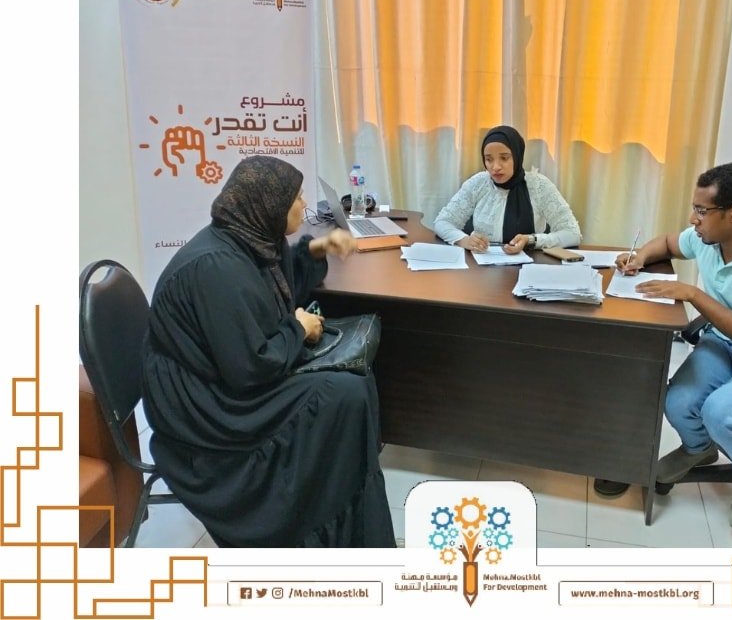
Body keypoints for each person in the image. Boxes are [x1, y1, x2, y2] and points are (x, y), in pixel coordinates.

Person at [141, 156, 397, 547]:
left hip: (220, 378)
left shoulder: (247, 239)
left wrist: (316, 249)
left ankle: (349, 518)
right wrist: (298, 328)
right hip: (205, 407)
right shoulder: (217, 268)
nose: (303, 205)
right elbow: (250, 368)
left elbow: (278, 281)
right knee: (345, 393)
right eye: (297, 198)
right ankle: (325, 520)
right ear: (270, 206)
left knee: (354, 385)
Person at [593, 163, 732, 530]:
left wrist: (694, 295)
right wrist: (640, 257)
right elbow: (668, 242)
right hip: (725, 342)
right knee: (677, 401)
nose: (692, 219)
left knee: (720, 412)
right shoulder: (707, 237)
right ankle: (699, 449)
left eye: (701, 210)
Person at [433, 125, 582, 254]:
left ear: (517, 156)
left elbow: (572, 233)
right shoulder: (478, 183)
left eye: (504, 158)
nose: (495, 167)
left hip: (529, 266)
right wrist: (463, 240)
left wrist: (531, 240)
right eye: (489, 159)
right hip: (481, 266)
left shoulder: (538, 185)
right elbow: (442, 222)